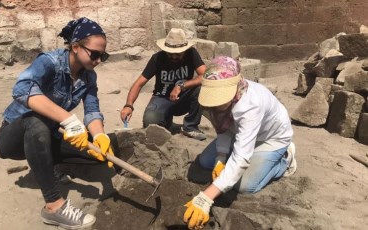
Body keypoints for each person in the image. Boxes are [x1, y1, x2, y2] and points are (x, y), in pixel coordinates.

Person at [0, 17, 115, 229]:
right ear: (76, 47)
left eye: (102, 55)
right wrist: (68, 119)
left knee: (98, 153)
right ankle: (54, 206)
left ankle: (50, 166)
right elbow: (22, 89)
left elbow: (93, 110)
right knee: (36, 121)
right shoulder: (50, 62)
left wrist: (99, 136)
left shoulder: (89, 77)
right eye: (95, 54)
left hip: (49, 134)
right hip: (15, 137)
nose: (98, 60)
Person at [183, 56, 297, 229]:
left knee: (244, 185)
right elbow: (224, 129)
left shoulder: (250, 105)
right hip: (240, 133)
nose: (216, 103)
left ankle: (285, 158)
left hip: (270, 138)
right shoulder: (220, 100)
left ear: (234, 88)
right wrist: (221, 157)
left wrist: (206, 197)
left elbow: (242, 158)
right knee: (206, 161)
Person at [120, 28, 207, 140]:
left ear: (185, 50)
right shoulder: (157, 58)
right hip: (162, 98)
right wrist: (128, 105)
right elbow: (138, 84)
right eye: (170, 54)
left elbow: (206, 75)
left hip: (183, 98)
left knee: (201, 88)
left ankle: (190, 127)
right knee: (150, 125)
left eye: (178, 54)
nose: (174, 57)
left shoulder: (192, 54)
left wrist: (181, 86)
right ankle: (166, 121)